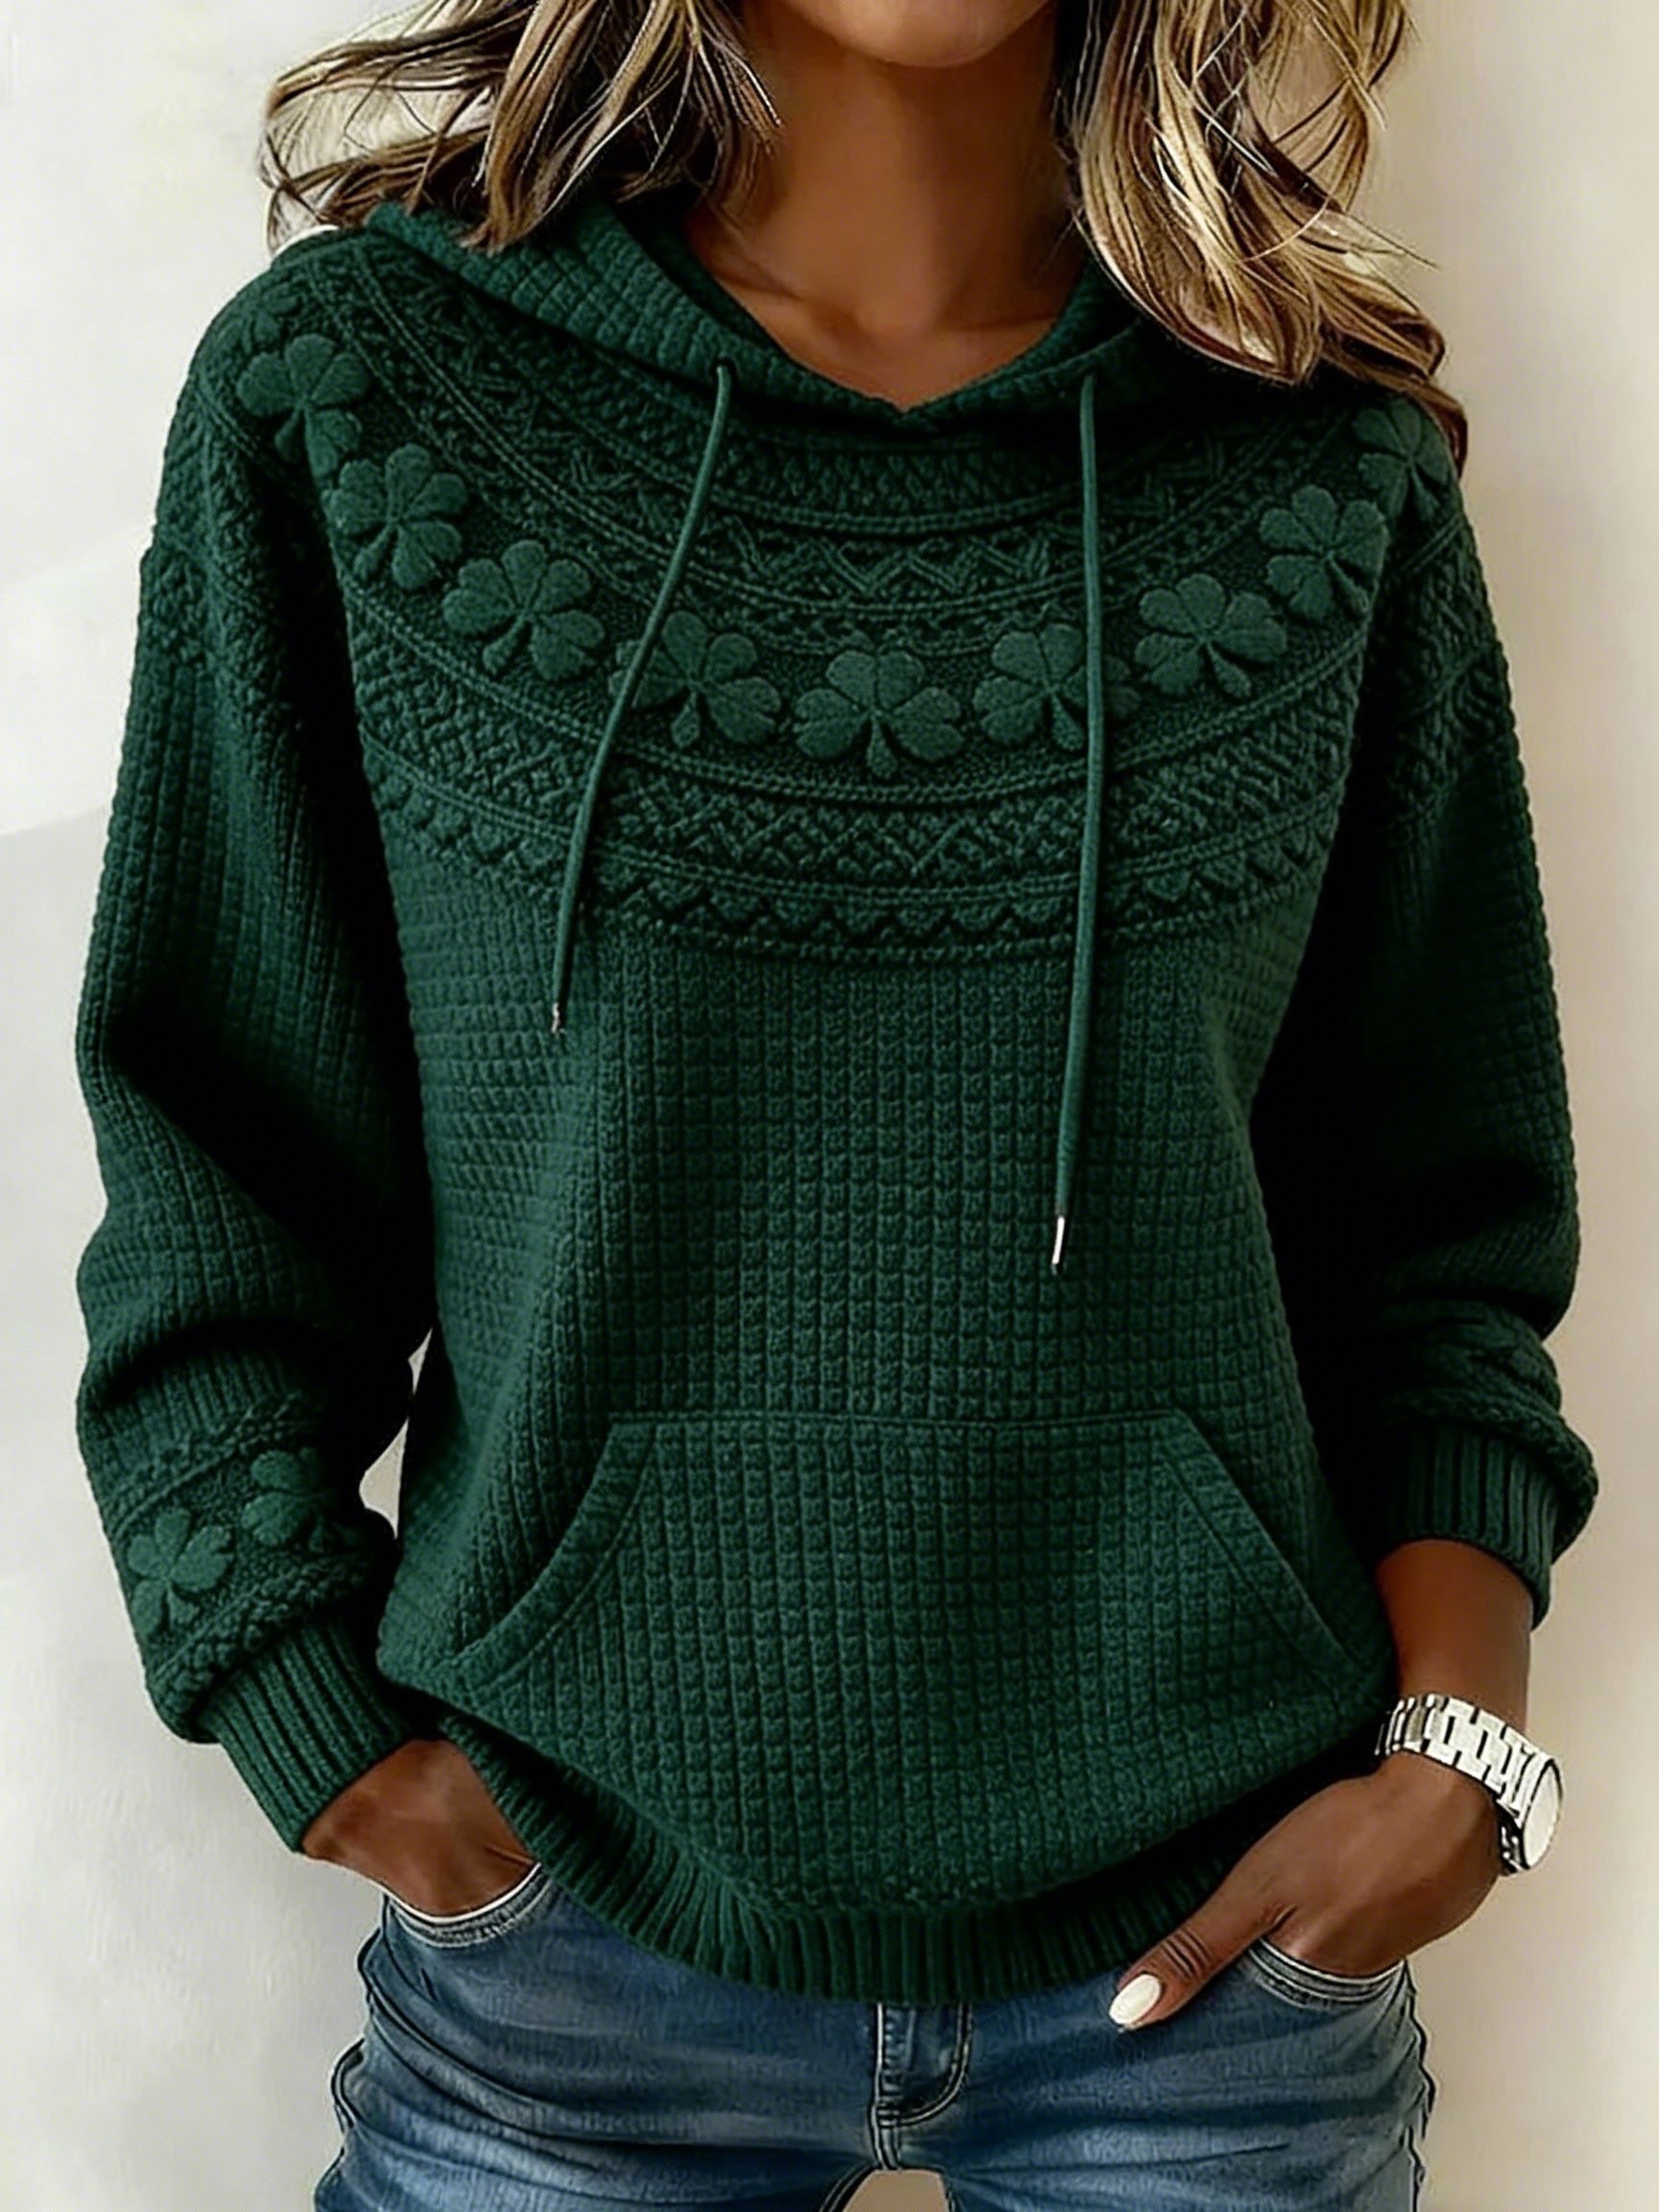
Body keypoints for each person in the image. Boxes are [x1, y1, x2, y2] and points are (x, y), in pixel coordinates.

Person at [71, 3, 1599, 2206]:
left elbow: (1437, 1231)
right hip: (567, 1948)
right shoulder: (363, 394)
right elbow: (224, 1155)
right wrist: (313, 1721)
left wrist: (1460, 1756)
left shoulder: (1311, 462)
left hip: (1216, 1955)